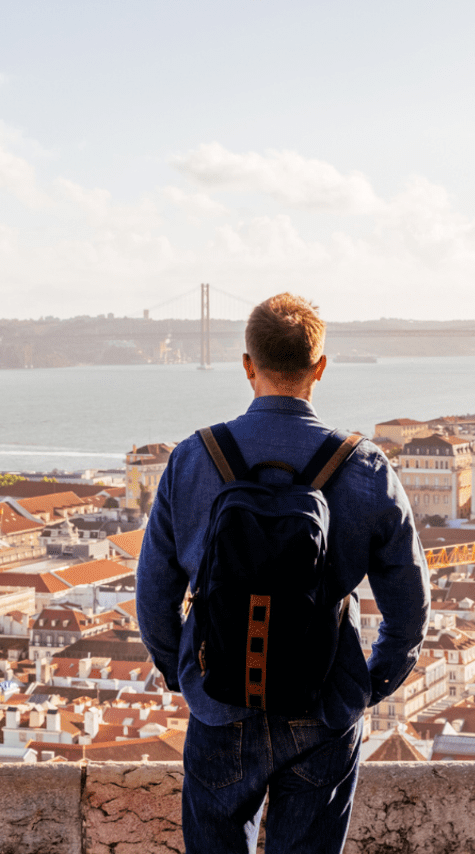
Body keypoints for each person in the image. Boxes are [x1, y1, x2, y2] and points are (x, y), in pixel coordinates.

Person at [137, 292, 429, 854]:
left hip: (221, 697)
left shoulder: (194, 458)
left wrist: (185, 675)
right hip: (323, 702)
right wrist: (371, 683)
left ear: (247, 366)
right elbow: (409, 606)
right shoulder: (365, 466)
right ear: (320, 368)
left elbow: (154, 595)